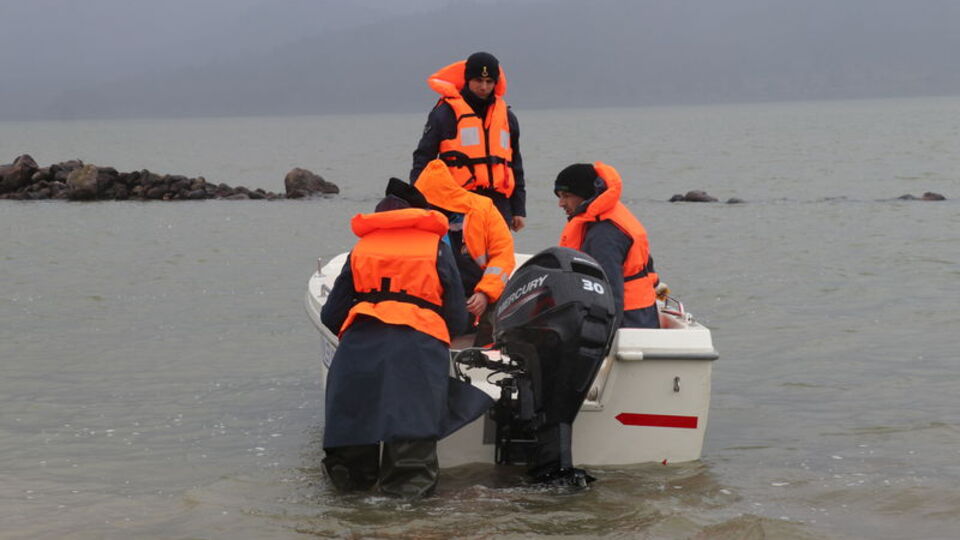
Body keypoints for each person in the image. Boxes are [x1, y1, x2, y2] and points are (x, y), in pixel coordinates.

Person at [320, 180, 494, 498]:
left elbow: (330, 316)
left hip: (358, 354)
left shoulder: (361, 250)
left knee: (350, 464)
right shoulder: (436, 249)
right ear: (420, 215)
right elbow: (456, 318)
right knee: (410, 466)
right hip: (417, 352)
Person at [410, 51, 526, 233]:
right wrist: (417, 201)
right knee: (462, 258)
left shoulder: (507, 118)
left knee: (498, 255)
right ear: (467, 80)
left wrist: (518, 208)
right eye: (478, 80)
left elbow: (515, 164)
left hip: (498, 204)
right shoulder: (444, 113)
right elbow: (423, 159)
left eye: (489, 82)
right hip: (457, 202)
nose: (483, 87)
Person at [413, 160, 515, 343]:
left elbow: (503, 256)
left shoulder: (483, 210)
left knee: (495, 320)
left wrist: (485, 293)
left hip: (479, 291)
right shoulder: (417, 218)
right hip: (438, 298)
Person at [553, 162, 661, 329]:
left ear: (585, 194)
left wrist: (600, 337)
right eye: (559, 196)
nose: (560, 203)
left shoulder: (604, 234)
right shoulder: (612, 214)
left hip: (628, 319)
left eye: (566, 196)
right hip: (643, 313)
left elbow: (609, 292)